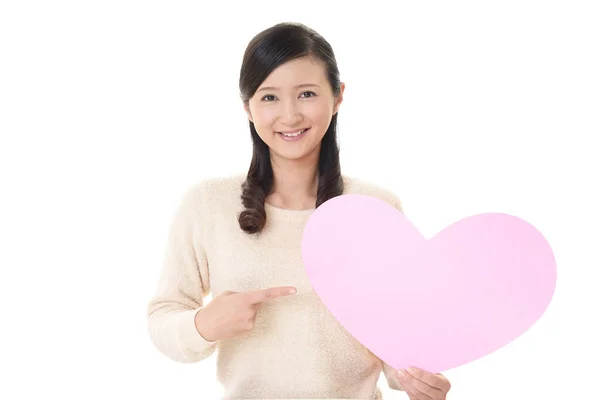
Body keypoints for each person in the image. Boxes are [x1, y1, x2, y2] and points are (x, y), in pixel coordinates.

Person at [147, 22, 452, 400]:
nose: (289, 116)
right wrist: (202, 324)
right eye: (269, 97)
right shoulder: (208, 203)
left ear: (338, 96)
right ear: (247, 107)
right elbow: (164, 315)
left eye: (306, 93)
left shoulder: (375, 207)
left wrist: (417, 381)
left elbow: (398, 331)